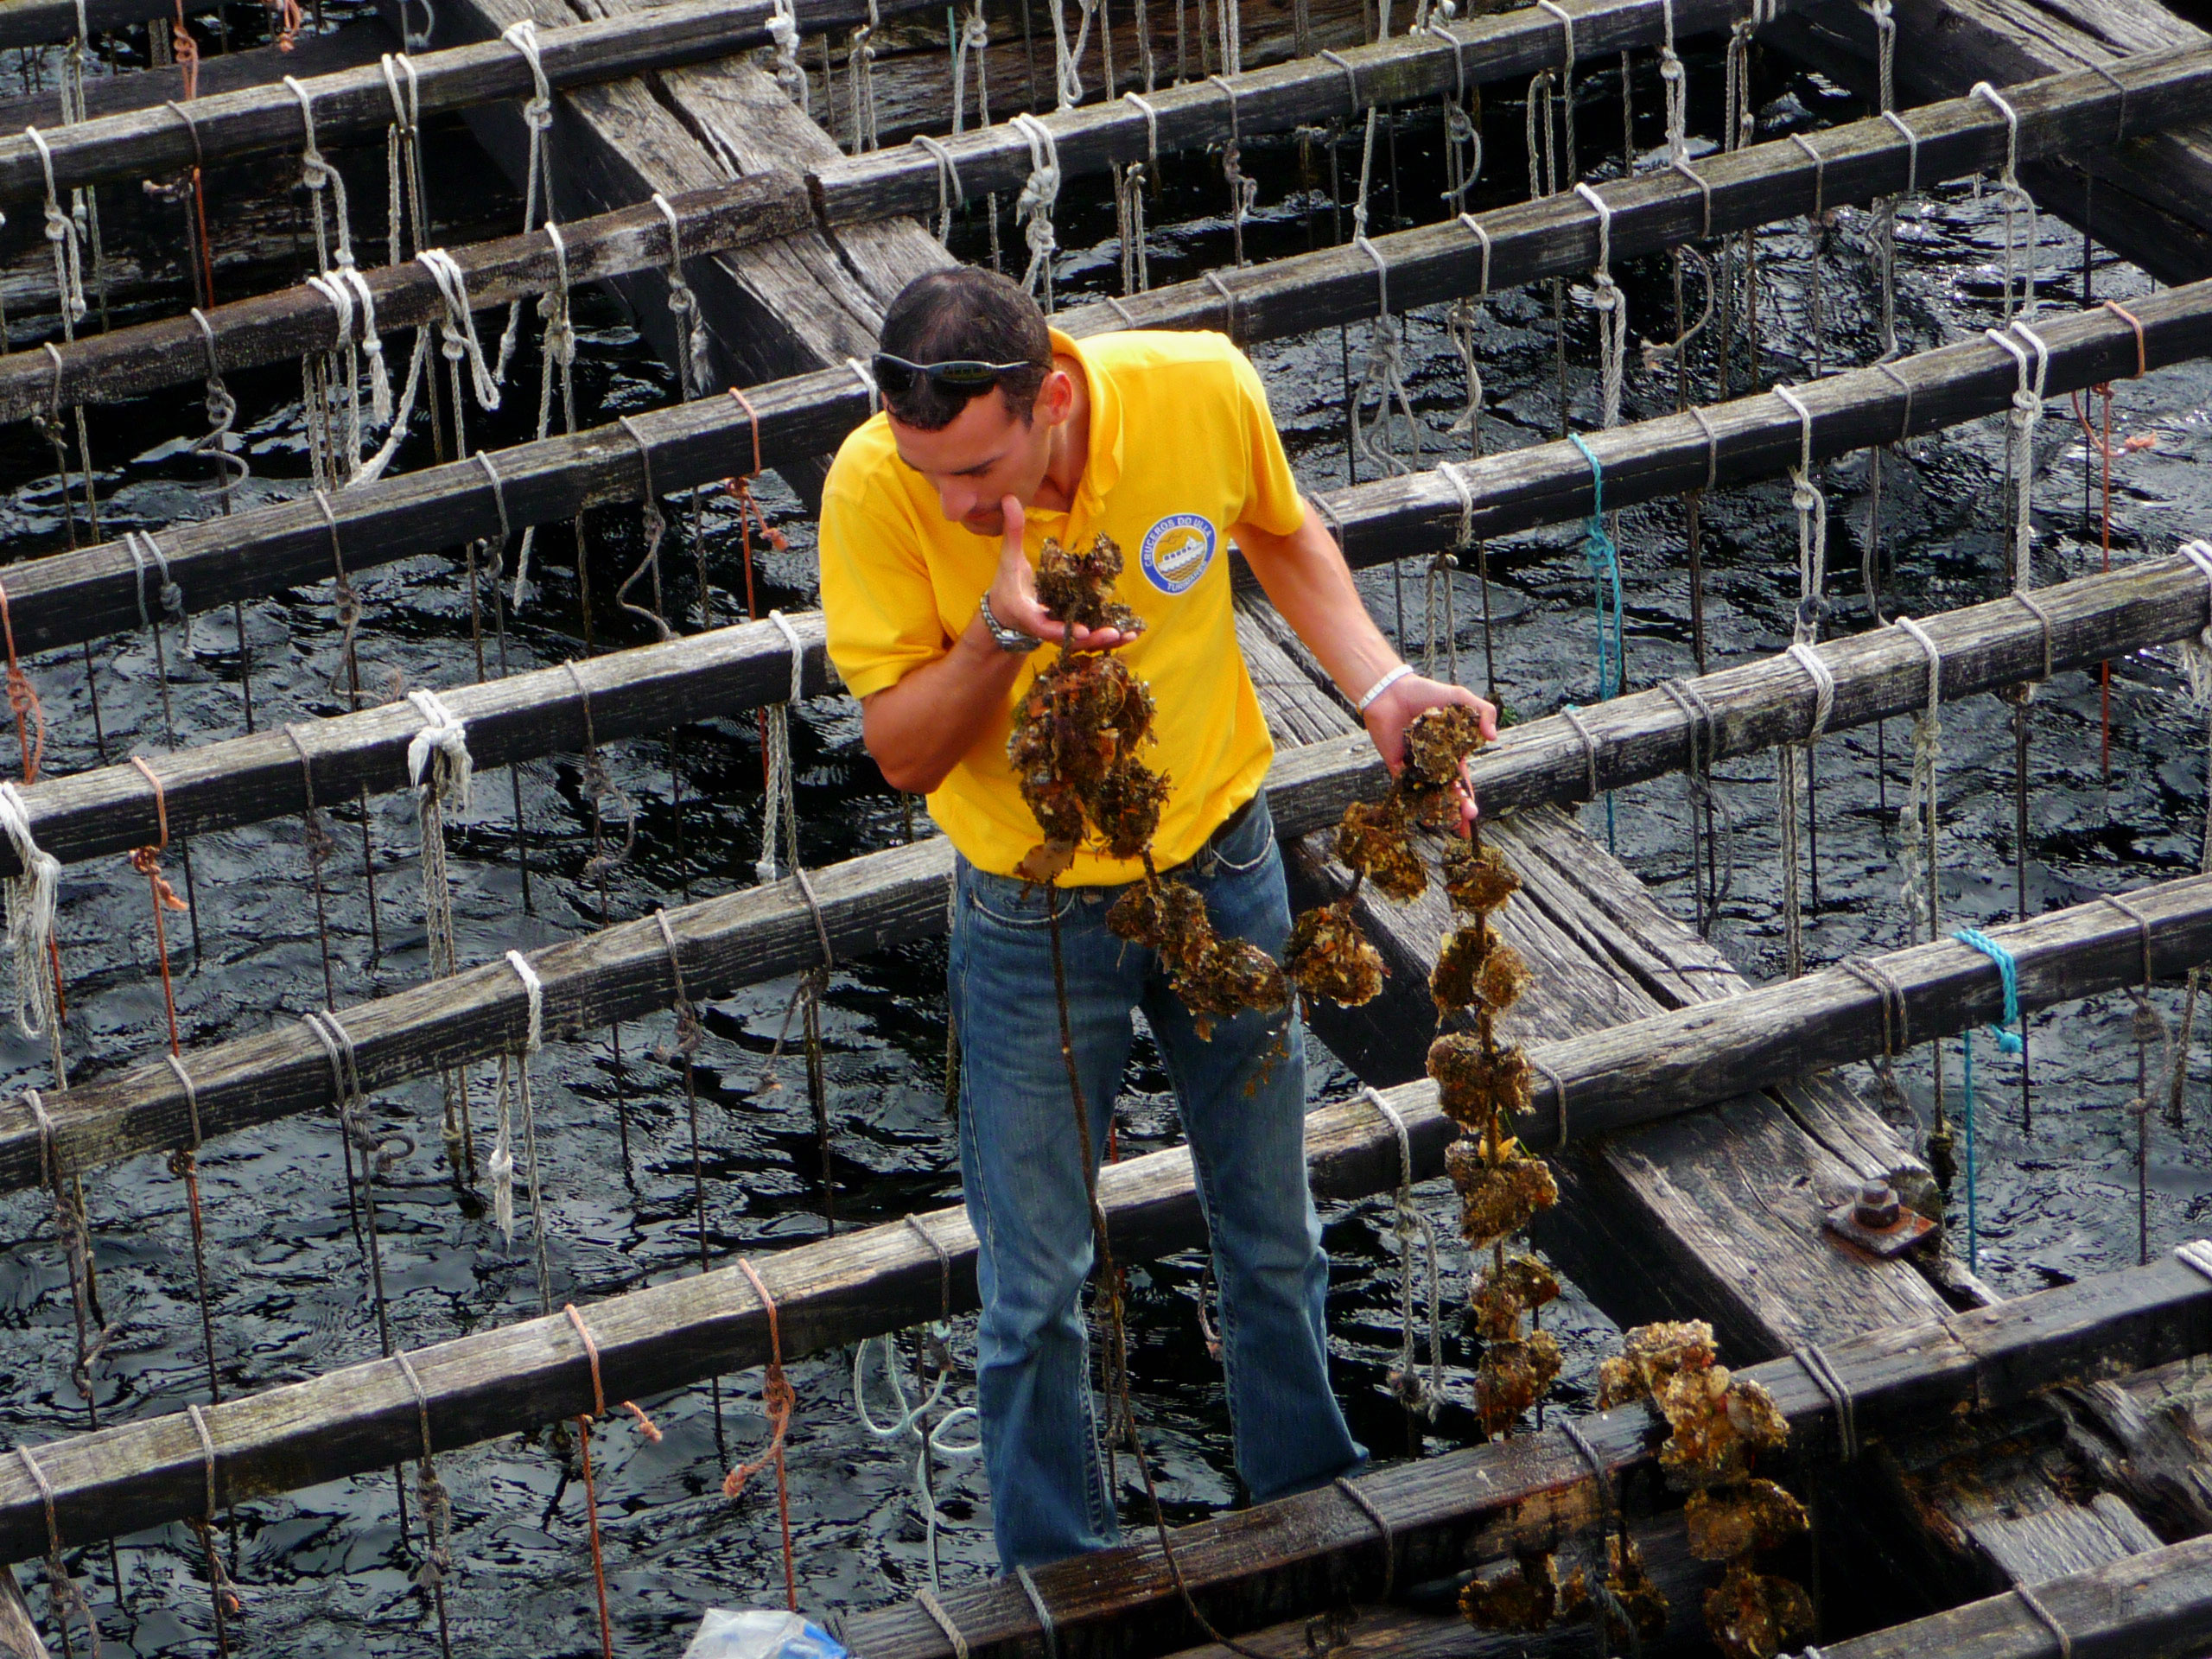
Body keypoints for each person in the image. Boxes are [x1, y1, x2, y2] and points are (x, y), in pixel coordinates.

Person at [818, 266, 1493, 1570]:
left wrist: (1383, 684)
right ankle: (1057, 1577)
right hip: (1028, 916)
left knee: (1275, 1226)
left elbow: (1279, 533)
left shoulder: (1199, 390)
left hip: (1224, 867)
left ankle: (1310, 1512)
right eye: (931, 473)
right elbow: (900, 753)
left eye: (978, 471)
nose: (954, 502)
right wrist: (996, 643)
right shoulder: (870, 487)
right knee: (1035, 1289)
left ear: (1053, 397)